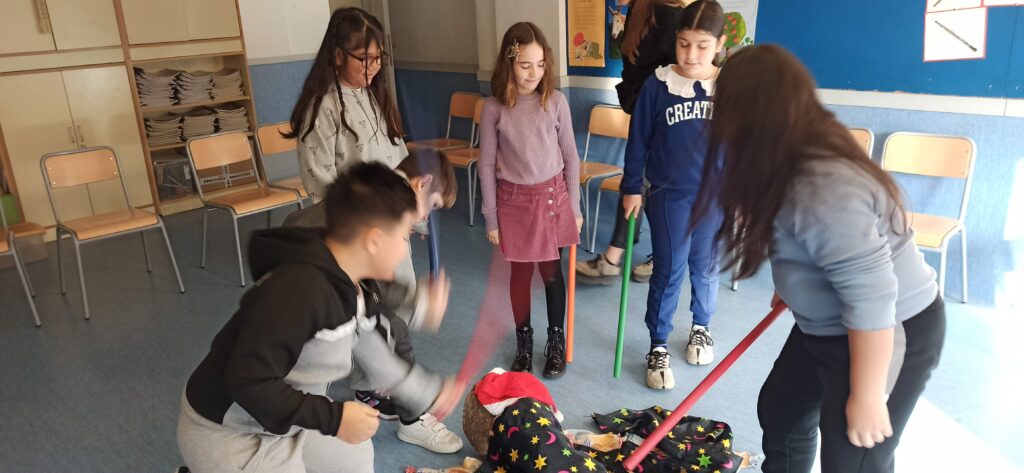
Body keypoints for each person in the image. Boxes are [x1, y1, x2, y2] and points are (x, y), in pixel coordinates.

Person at [695, 44, 945, 473]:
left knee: (854, 455)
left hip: (888, 327)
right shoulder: (786, 154)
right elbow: (795, 232)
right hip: (833, 321)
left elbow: (872, 297)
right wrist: (794, 286)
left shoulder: (823, 184)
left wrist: (867, 396)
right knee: (783, 411)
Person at [177, 162, 462, 473]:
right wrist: (335, 418)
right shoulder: (299, 291)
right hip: (230, 432)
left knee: (354, 456)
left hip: (284, 418)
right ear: (374, 241)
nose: (406, 247)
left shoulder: (355, 285)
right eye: (404, 235)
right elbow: (246, 380)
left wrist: (431, 394)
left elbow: (376, 357)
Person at [281, 148, 463, 453]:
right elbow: (251, 384)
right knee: (388, 328)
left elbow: (370, 324)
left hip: (293, 408)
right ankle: (410, 418)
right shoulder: (321, 293)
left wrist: (429, 392)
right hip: (256, 427)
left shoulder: (380, 200)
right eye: (430, 208)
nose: (420, 224)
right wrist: (333, 417)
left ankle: (381, 401)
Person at [621, 0, 727, 390]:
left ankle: (701, 326)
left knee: (706, 265)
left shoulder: (731, 86)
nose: (691, 54)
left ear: (720, 44)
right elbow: (638, 140)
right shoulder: (658, 84)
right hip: (669, 195)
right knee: (669, 270)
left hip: (716, 196)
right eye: (684, 44)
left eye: (702, 46)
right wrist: (632, 187)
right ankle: (659, 343)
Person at [478, 22, 583, 379]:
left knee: (552, 275)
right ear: (509, 63)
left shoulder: (555, 101)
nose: (534, 73)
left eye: (540, 64)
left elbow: (571, 157)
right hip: (513, 202)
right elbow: (486, 165)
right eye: (525, 65)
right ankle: (524, 341)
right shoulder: (493, 108)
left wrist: (575, 207)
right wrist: (491, 217)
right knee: (520, 276)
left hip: (552, 199)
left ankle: (556, 342)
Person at [576, 0, 686, 285]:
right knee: (637, 185)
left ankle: (623, 259)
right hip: (646, 116)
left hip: (666, 122)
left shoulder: (667, 14)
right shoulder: (639, 11)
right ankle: (626, 257)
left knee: (642, 185)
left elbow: (677, 71)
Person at [285, 7, 407, 204]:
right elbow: (320, 182)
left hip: (391, 210)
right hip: (355, 216)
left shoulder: (376, 95)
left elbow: (399, 160)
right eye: (365, 58)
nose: (375, 65)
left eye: (379, 57)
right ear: (338, 56)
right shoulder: (323, 107)